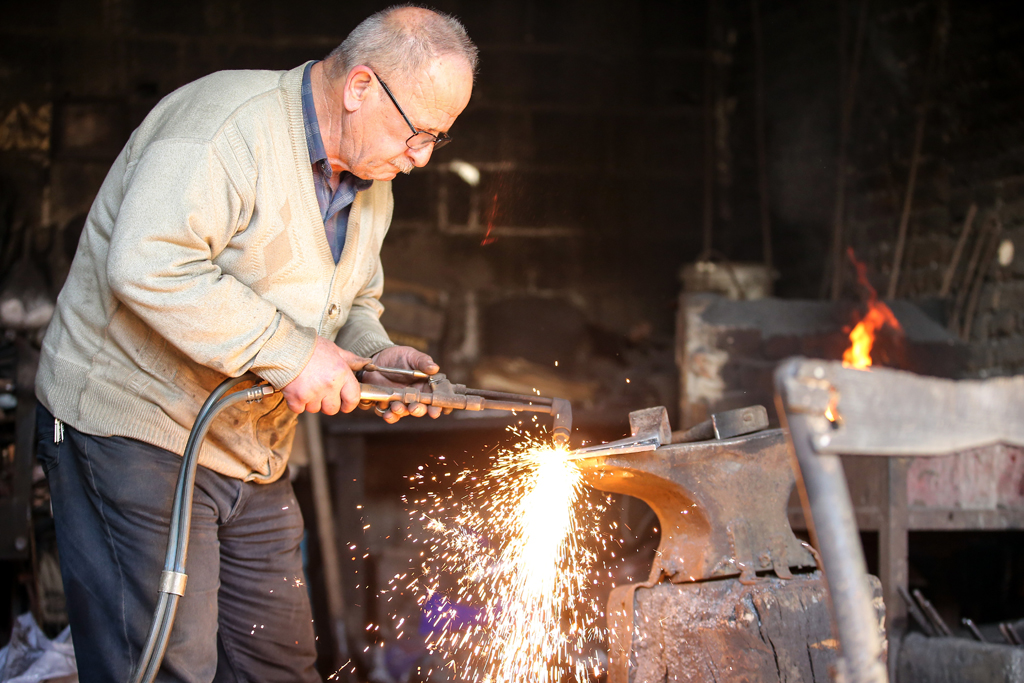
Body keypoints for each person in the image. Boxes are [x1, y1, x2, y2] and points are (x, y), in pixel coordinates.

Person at [33, 6, 476, 682]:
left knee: (280, 660)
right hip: (133, 429)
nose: (420, 157)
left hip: (251, 449)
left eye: (437, 140)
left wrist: (376, 354)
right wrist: (293, 354)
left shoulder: (372, 183)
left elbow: (351, 301)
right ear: (360, 87)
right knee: (166, 663)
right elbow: (148, 263)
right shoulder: (225, 127)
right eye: (417, 132)